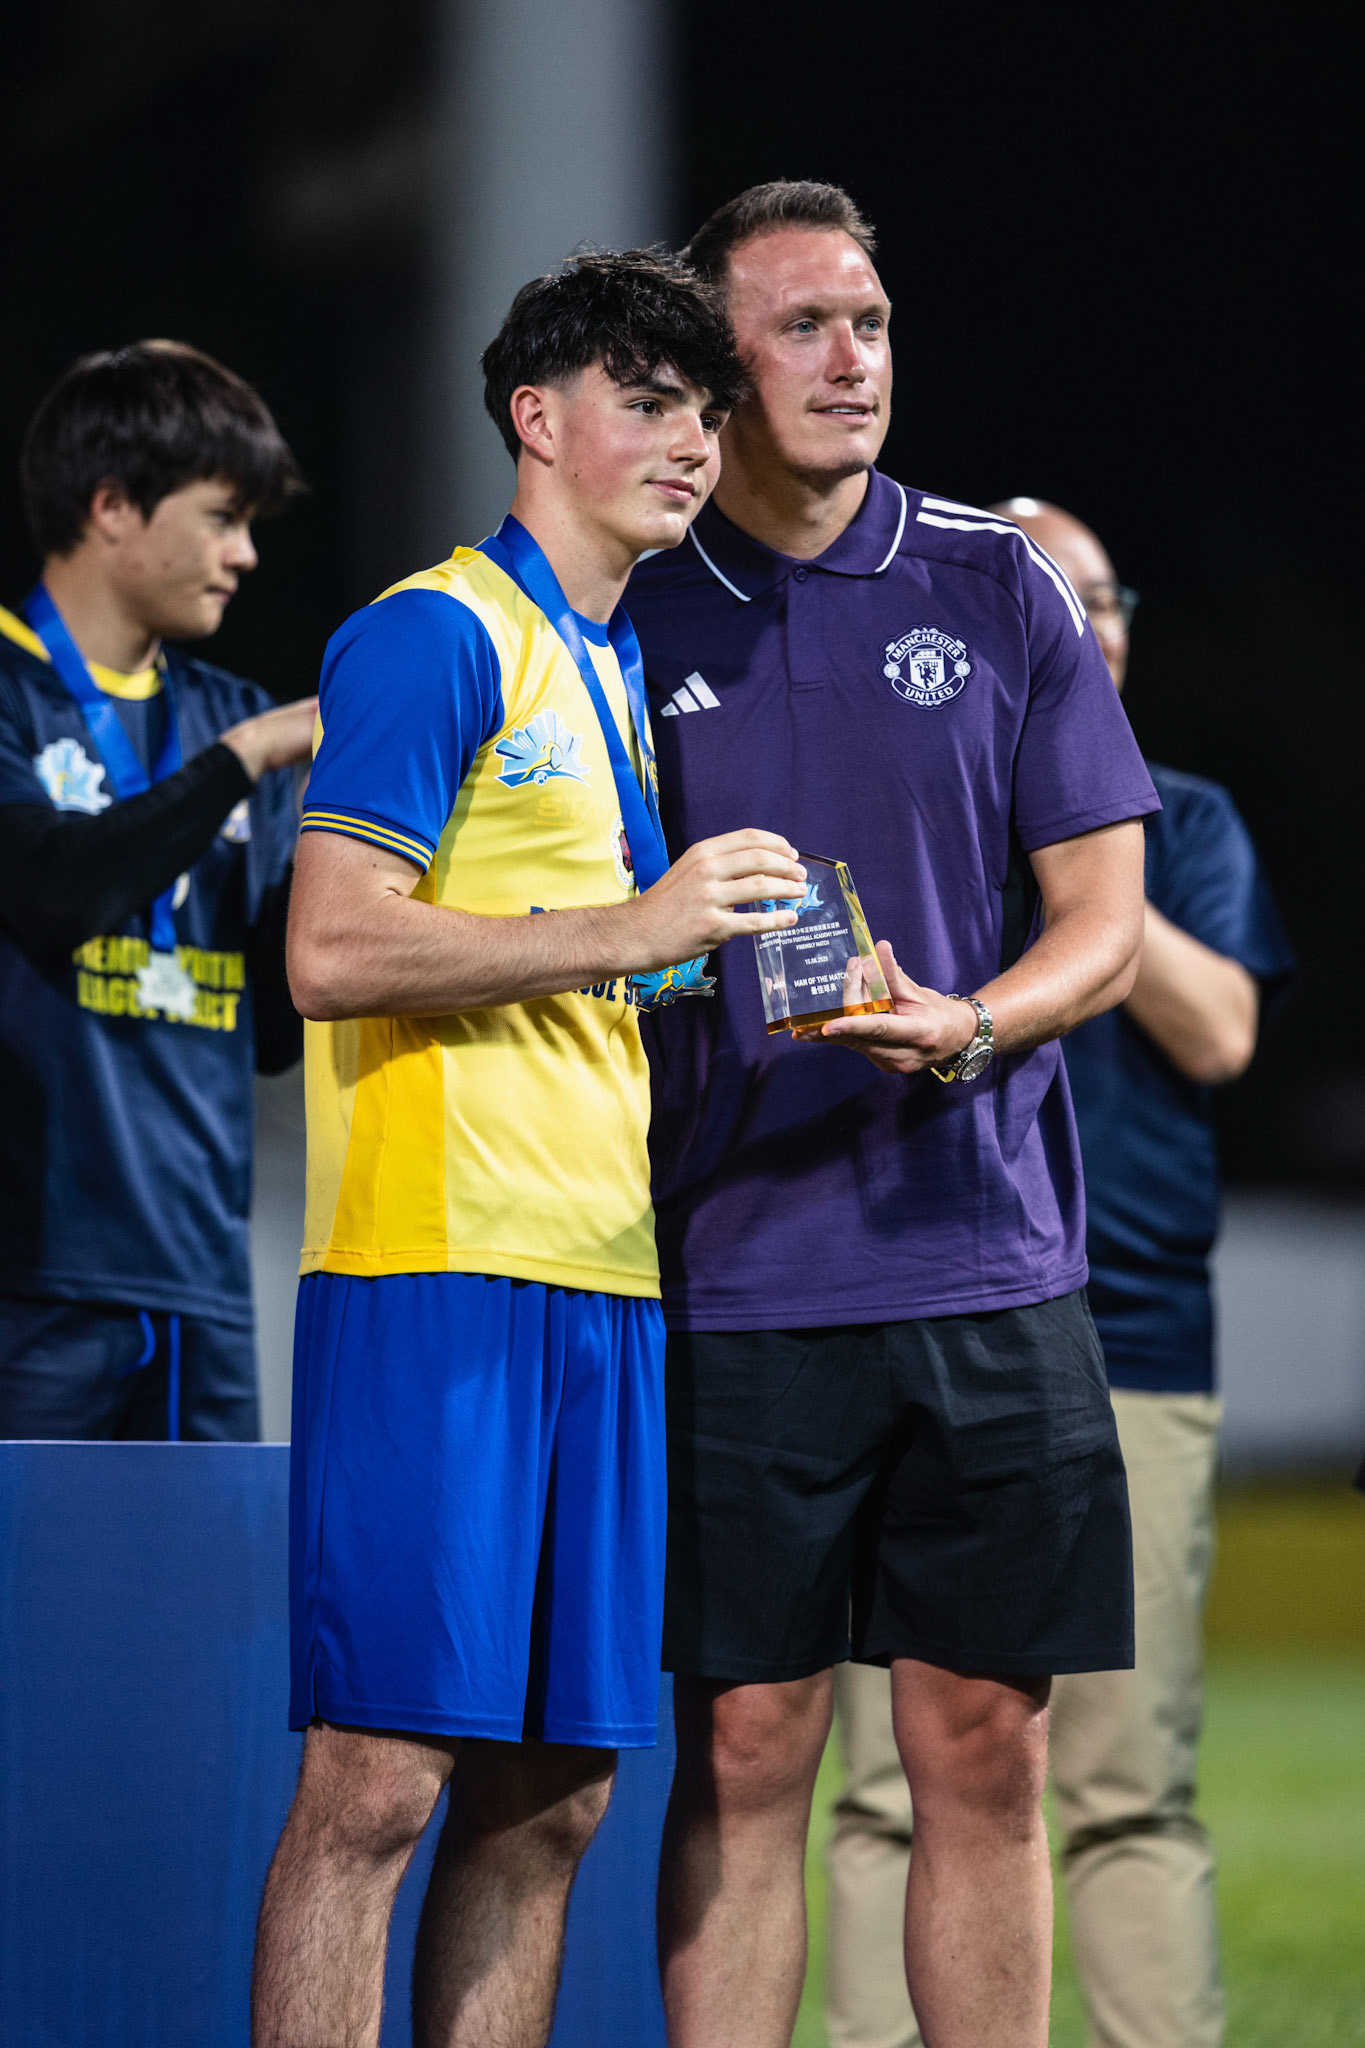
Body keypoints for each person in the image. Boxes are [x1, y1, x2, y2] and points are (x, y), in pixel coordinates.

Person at [624, 182, 1160, 2048]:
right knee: (751, 1748)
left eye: (870, 321)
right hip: (731, 1264)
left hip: (985, 1257)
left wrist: (977, 1023)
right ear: (714, 367)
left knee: (984, 1745)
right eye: (804, 327)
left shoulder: (993, 574)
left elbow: (1105, 918)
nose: (853, 358)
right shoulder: (627, 600)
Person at [250, 249, 804, 2048]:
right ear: (536, 417)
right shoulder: (434, 631)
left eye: (707, 409)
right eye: (649, 400)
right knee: (379, 1784)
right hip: (434, 1273)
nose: (691, 441)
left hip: (603, 1286)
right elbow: (329, 947)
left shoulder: (614, 665)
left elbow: (585, 959)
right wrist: (632, 925)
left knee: (556, 1796)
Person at [825, 499, 1294, 2048]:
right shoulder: (897, 804)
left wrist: (1082, 836)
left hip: (1134, 1333)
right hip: (914, 1299)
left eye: (1099, 598)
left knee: (1122, 1781)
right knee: (887, 1781)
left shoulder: (1188, 817)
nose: (1081, 626)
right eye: (1039, 597)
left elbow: (1218, 1032)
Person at [0, 340, 315, 1442]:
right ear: (114, 507)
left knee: (200, 1617)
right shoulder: (12, 697)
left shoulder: (235, 712)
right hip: (34, 1280)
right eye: (222, 517)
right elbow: (50, 890)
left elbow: (273, 1030)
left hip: (204, 1282)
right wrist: (238, 764)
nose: (245, 556)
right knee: (27, 1613)